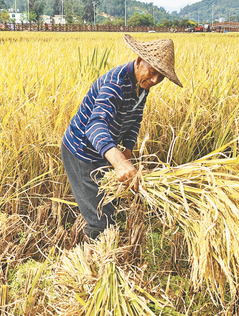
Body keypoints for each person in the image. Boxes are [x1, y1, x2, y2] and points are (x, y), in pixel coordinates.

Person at [61, 34, 183, 240]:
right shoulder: (115, 85)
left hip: (103, 151)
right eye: (152, 72)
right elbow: (95, 125)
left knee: (108, 201)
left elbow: (135, 117)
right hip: (82, 152)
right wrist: (118, 162)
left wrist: (127, 149)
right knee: (101, 219)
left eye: (160, 77)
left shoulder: (141, 85)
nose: (154, 80)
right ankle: (93, 263)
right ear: (138, 61)